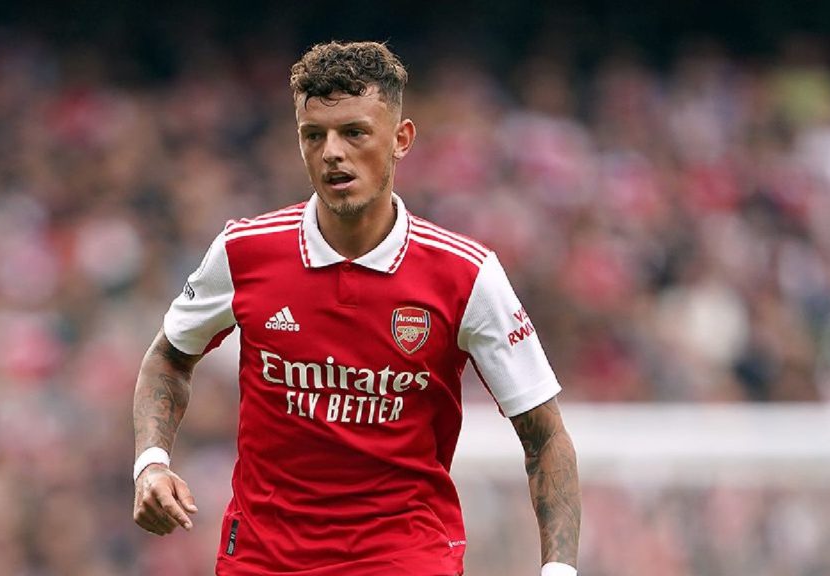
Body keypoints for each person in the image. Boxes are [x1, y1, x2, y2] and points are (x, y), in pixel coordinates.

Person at [132, 40, 581, 576]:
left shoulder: (465, 275)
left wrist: (559, 570)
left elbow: (545, 436)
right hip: (263, 559)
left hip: (405, 558)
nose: (332, 153)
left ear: (401, 139)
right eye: (313, 135)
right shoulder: (244, 252)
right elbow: (168, 357)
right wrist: (151, 463)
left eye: (354, 133)